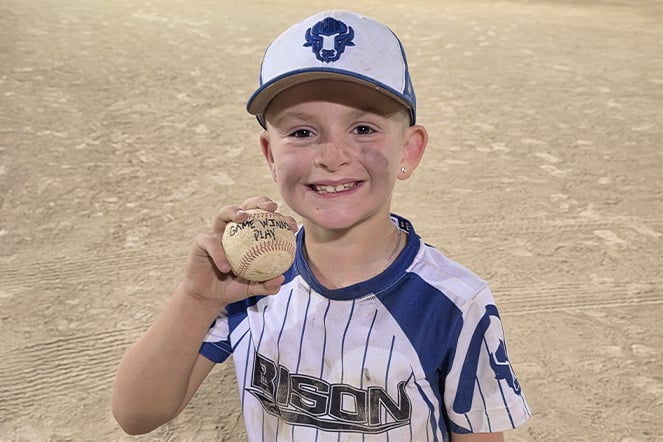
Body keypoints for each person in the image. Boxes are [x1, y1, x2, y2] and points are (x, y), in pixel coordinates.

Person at [111, 9, 531, 441]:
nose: (332, 156)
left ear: (409, 150)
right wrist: (198, 297)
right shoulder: (251, 285)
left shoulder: (455, 303)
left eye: (363, 128)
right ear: (270, 154)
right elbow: (136, 414)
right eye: (301, 133)